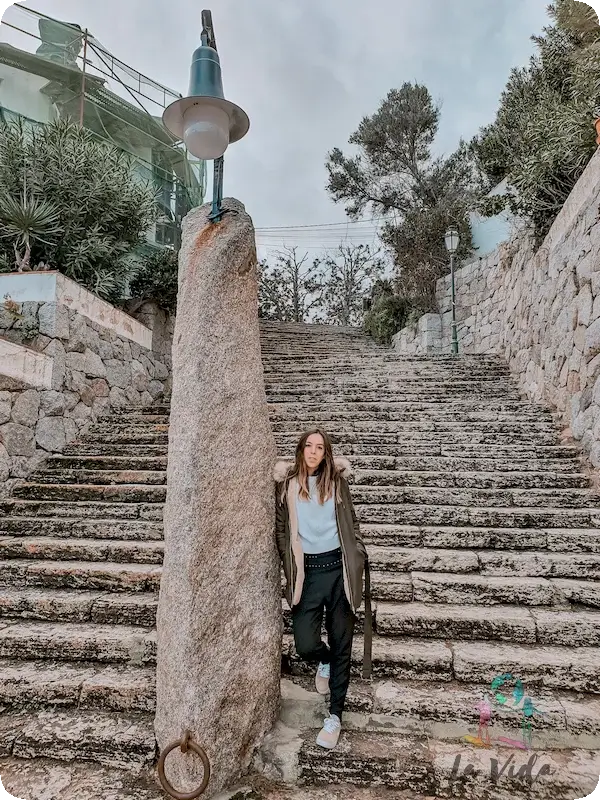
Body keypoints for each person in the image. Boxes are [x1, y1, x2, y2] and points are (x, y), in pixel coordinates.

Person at [274, 427, 372, 750]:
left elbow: (352, 523)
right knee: (304, 642)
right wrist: (289, 566)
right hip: (308, 574)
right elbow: (282, 531)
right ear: (301, 450)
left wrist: (356, 554)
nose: (314, 452)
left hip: (338, 569)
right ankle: (324, 659)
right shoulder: (287, 486)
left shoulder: (338, 483)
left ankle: (335, 716)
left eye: (320, 447)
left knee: (343, 641)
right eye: (309, 446)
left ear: (326, 452)